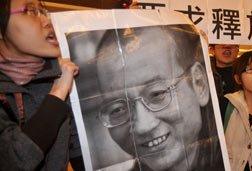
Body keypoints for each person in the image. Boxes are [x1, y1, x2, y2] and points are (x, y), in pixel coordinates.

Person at [94, 25, 224, 170]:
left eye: (157, 94)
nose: (143, 127)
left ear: (199, 84)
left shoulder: (235, 154)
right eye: (117, 109)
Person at [0, 0, 83, 170]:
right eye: (30, 11)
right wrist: (58, 92)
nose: (47, 21)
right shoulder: (61, 82)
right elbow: (14, 160)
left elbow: (78, 148)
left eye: (43, 11)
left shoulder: (64, 72)